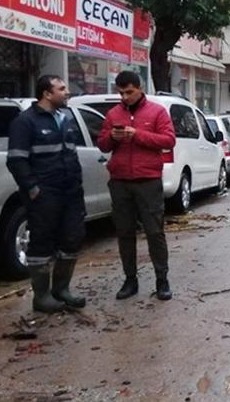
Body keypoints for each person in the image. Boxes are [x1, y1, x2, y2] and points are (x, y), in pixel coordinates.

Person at [7, 75, 86, 313]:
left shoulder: (64, 119)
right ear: (47, 94)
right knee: (41, 243)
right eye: (62, 89)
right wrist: (33, 189)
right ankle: (41, 297)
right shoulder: (25, 122)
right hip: (45, 194)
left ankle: (61, 290)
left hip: (70, 192)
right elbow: (16, 161)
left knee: (72, 239)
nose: (67, 92)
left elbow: (70, 155)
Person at [97, 71, 177, 301]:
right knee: (124, 233)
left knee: (154, 232)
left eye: (129, 92)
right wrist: (112, 136)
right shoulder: (113, 114)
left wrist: (137, 135)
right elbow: (102, 144)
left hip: (148, 181)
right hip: (120, 181)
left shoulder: (157, 112)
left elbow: (168, 140)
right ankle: (130, 280)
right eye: (121, 93)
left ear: (140, 88)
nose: (125, 97)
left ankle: (162, 280)